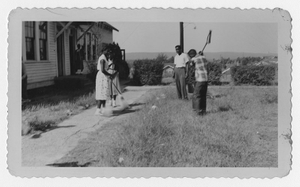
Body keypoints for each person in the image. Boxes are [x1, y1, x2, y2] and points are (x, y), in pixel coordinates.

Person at [95, 50, 117, 115]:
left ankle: (104, 109)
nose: (109, 54)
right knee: (101, 92)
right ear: (104, 52)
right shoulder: (102, 59)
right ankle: (98, 109)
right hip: (101, 77)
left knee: (104, 93)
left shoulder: (105, 58)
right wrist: (110, 75)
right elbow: (102, 70)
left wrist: (109, 75)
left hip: (104, 77)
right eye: (108, 53)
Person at [191, 51, 208, 115]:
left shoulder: (196, 59)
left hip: (199, 80)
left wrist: (196, 56)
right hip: (205, 80)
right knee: (203, 96)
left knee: (197, 95)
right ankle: (203, 110)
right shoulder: (205, 59)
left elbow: (192, 60)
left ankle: (198, 111)